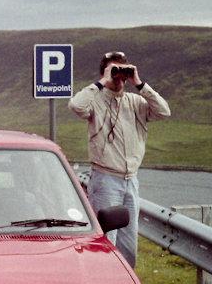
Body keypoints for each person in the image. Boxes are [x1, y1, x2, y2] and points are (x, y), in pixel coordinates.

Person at [68, 51, 171, 267]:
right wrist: (102, 81)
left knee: (128, 241)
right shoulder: (95, 101)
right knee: (107, 240)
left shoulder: (136, 102)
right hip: (105, 179)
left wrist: (139, 83)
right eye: (114, 71)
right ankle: (104, 283)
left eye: (122, 72)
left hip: (131, 180)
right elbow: (76, 106)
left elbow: (163, 111)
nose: (119, 77)